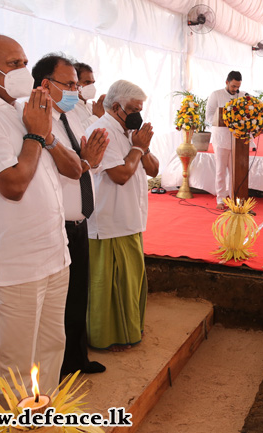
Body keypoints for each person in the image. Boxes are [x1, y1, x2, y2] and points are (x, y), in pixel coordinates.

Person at [0, 34, 82, 402]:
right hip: (15, 262)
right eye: (13, 64)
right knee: (13, 363)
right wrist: (35, 136)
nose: (24, 71)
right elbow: (14, 184)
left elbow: (73, 169)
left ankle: (42, 413)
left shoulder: (22, 111)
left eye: (25, 63)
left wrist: (43, 135)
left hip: (54, 254)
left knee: (51, 348)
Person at [31, 53, 110, 376]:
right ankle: (55, 367)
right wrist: (86, 162)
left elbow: (88, 163)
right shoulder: (36, 121)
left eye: (78, 85)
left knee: (78, 294)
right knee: (56, 303)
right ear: (46, 84)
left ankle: (77, 358)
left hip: (79, 222)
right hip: (54, 223)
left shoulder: (72, 117)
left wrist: (91, 160)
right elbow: (70, 168)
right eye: (69, 84)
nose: (76, 91)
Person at [85, 79, 159, 351]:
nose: (139, 114)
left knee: (130, 282)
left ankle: (129, 331)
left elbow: (153, 169)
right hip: (109, 221)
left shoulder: (129, 130)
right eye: (134, 108)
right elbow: (120, 175)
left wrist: (143, 145)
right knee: (110, 285)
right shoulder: (101, 130)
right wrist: (137, 148)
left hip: (131, 219)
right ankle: (105, 338)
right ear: (116, 106)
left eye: (141, 108)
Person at [206, 71, 246, 210]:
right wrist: (224, 121)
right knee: (221, 171)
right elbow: (209, 116)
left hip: (238, 141)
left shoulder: (244, 95)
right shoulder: (216, 95)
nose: (236, 89)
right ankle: (221, 200)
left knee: (236, 172)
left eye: (238, 86)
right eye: (234, 86)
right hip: (221, 139)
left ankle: (234, 199)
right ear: (227, 82)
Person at [72, 62, 105, 130]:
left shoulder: (91, 107)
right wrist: (96, 117)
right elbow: (76, 134)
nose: (91, 86)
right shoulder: (69, 108)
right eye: (87, 82)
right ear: (75, 84)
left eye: (92, 83)